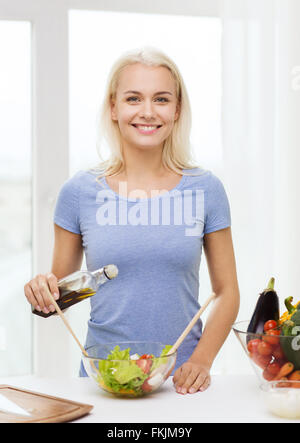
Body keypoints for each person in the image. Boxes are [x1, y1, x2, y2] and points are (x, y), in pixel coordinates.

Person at [24, 47, 240, 395]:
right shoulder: (79, 192)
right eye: (133, 98)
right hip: (105, 379)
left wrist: (201, 360)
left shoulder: (206, 189)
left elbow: (227, 291)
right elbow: (62, 296)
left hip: (181, 382)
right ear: (114, 108)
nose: (148, 112)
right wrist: (42, 293)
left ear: (177, 109)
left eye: (161, 99)